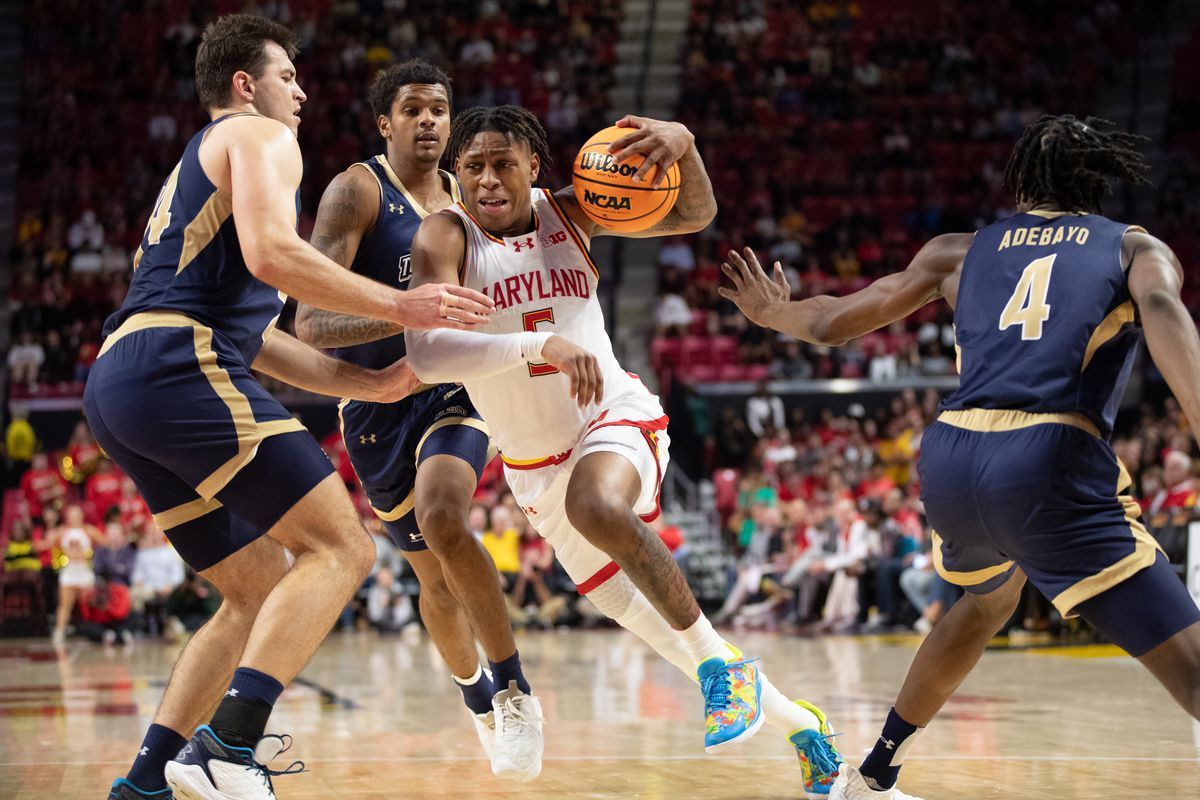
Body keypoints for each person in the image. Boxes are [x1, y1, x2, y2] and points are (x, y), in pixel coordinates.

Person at [719, 114, 1200, 800]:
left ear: (1022, 181)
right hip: (1045, 454)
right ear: (1098, 179)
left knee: (984, 599)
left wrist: (773, 314)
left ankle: (876, 773)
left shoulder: (959, 250)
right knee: (1189, 664)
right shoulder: (1133, 247)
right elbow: (1164, 311)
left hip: (950, 456)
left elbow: (834, 319)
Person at [85, 16, 493, 800]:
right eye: (288, 77)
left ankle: (144, 783)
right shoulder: (258, 137)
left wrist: (372, 384)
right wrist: (406, 307)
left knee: (257, 585)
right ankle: (227, 750)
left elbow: (259, 339)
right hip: (176, 364)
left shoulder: (197, 173)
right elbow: (278, 256)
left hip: (123, 383)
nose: (301, 93)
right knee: (344, 550)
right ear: (246, 84)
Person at [404, 105, 842, 796]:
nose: (488, 180)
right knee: (668, 636)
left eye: (503, 164)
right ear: (456, 174)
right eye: (474, 166)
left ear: (533, 168)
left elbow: (692, 213)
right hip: (533, 468)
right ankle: (801, 725)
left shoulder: (574, 213)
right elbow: (427, 353)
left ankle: (725, 677)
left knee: (596, 503)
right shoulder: (444, 235)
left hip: (613, 416)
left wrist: (687, 144)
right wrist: (536, 343)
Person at [292, 60, 541, 780]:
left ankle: (515, 690)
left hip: (454, 385)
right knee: (433, 579)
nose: (430, 120)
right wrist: (399, 308)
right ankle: (478, 702)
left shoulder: (474, 193)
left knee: (445, 515)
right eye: (414, 110)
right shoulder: (356, 191)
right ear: (385, 122)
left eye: (440, 108)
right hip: (375, 399)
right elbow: (308, 323)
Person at [43, 504, 101, 644]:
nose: (74, 517)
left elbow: (104, 544)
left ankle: (97, 631)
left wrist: (89, 555)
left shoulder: (89, 531)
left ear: (81, 515)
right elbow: (48, 544)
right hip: (69, 571)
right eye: (71, 514)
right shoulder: (62, 531)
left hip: (84, 571)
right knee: (65, 604)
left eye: (77, 514)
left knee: (89, 604)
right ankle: (60, 631)